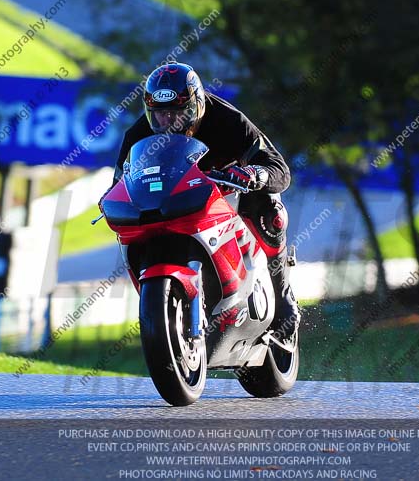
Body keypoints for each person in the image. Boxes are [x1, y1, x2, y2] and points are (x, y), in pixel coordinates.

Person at [102, 62, 300, 340]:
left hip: (228, 198)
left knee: (270, 210)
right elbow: (120, 183)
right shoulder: (138, 135)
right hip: (173, 206)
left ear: (196, 106)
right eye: (160, 116)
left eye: (177, 114)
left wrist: (255, 174)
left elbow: (279, 169)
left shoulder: (229, 120)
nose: (168, 123)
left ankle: (282, 297)